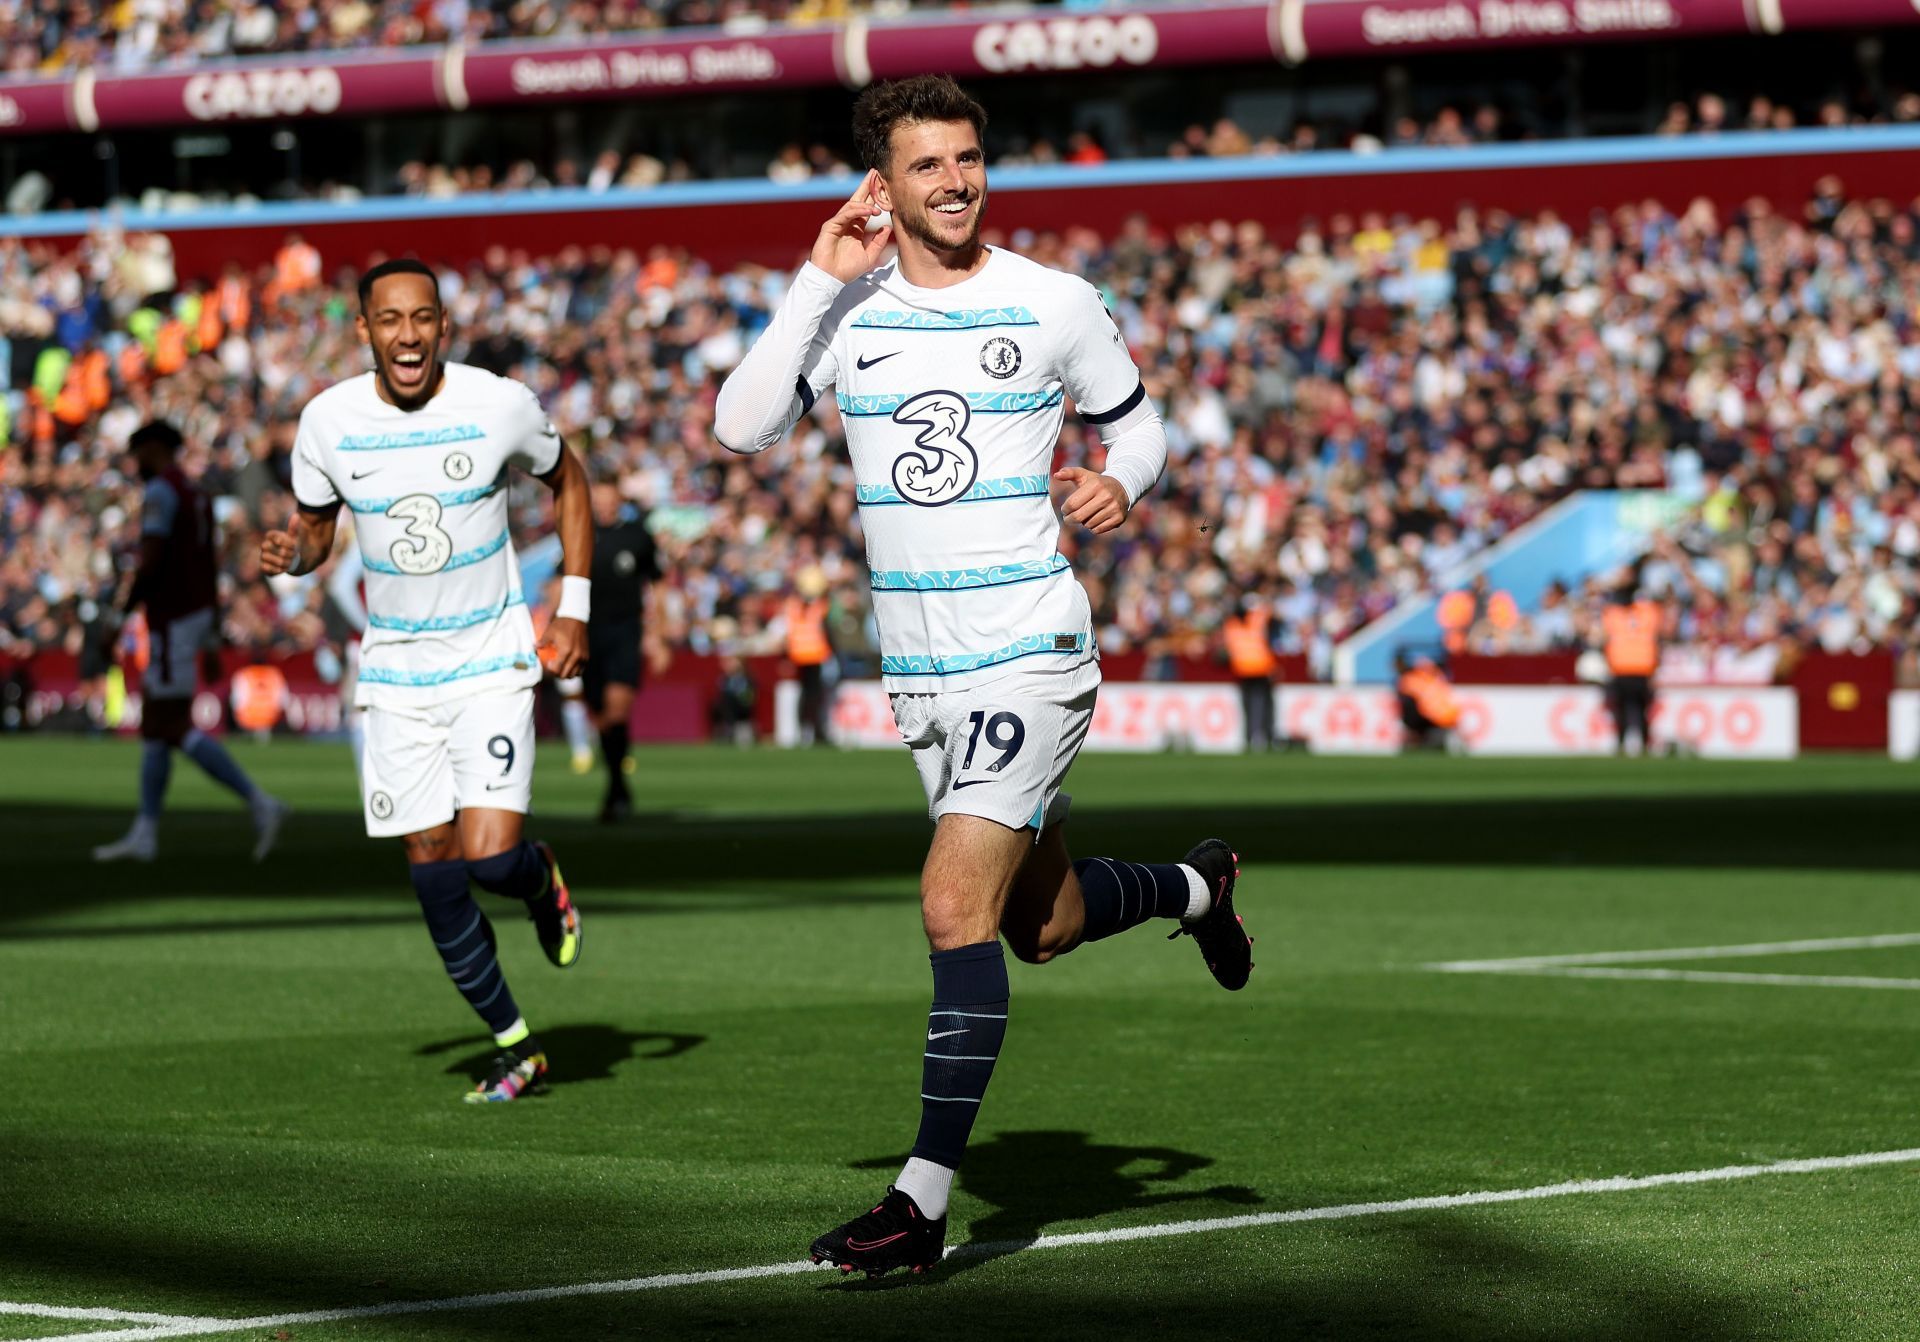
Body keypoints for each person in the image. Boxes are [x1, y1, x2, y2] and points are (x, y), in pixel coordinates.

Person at [713, 74, 1256, 1278]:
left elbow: (1141, 421)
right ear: (881, 185)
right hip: (921, 675)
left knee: (952, 906)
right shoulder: (848, 316)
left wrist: (1126, 480)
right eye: (926, 166)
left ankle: (917, 1208)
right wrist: (817, 275)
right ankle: (1195, 888)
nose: (955, 181)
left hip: (1030, 649)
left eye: (968, 158)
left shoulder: (1056, 301)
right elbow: (739, 426)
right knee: (1039, 924)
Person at [260, 258, 591, 1104]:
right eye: (389, 320)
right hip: (395, 681)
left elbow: (571, 481)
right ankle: (517, 1047)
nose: (407, 335)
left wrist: (573, 609)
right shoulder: (327, 420)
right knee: (433, 873)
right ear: (364, 330)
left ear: (444, 326)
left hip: (489, 661)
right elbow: (315, 533)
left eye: (423, 319)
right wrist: (289, 557)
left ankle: (536, 875)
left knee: (489, 860)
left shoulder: (499, 405)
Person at [93, 420, 290, 864]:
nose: (135, 463)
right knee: (156, 731)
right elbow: (207, 567)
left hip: (173, 618)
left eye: (139, 452)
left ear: (157, 448)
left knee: (169, 724)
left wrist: (117, 618)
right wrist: (213, 635)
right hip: (192, 616)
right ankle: (145, 833)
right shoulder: (197, 495)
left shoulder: (163, 493)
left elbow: (151, 562)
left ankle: (260, 802)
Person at [585, 480, 663, 821]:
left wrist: (658, 633)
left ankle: (616, 789)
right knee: (600, 715)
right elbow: (560, 583)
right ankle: (617, 784)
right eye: (597, 500)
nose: (603, 506)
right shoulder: (579, 532)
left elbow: (656, 583)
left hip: (624, 630)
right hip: (587, 631)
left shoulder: (637, 536)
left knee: (618, 710)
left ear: (619, 502)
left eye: (609, 500)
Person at [1602, 584, 1662, 756]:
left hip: (1625, 668)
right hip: (1639, 668)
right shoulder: (1648, 613)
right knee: (1638, 710)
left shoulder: (1613, 614)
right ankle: (1641, 744)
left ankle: (1624, 744)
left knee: (1625, 710)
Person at [783, 566, 834, 746]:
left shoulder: (792, 605)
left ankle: (807, 730)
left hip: (801, 655)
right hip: (813, 655)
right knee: (814, 696)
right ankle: (815, 731)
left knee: (807, 695)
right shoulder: (817, 606)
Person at [1221, 593, 1278, 751]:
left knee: (1249, 706)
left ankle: (1251, 737)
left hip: (1244, 670)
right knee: (1264, 705)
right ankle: (1266, 737)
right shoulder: (1256, 619)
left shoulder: (1231, 624)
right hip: (1260, 669)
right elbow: (1270, 612)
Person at [1395, 651, 1461, 751]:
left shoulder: (1411, 679)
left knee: (1409, 708)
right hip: (1441, 715)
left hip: (1435, 716)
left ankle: (1417, 740)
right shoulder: (1437, 677)